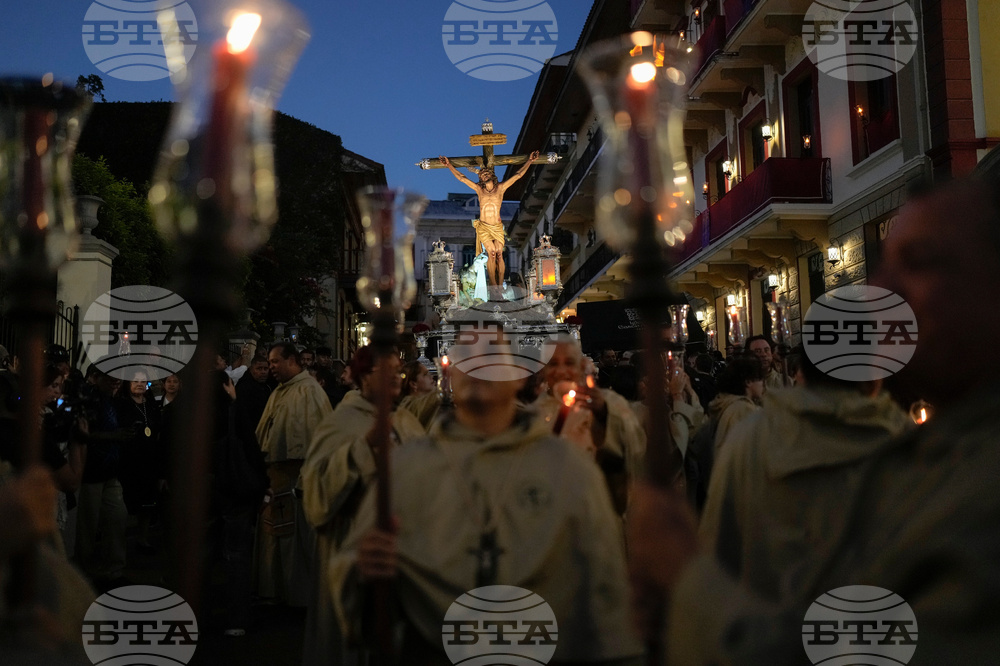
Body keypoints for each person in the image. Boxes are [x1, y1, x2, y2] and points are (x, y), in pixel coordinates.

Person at [629, 178, 1000, 664]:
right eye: (885, 266)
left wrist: (685, 578)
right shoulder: (925, 452)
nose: (881, 291)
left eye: (920, 262)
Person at [328, 327, 644, 664]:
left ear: (517, 378)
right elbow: (356, 572)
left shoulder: (569, 468)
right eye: (467, 356)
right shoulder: (407, 467)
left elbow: (605, 591)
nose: (479, 365)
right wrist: (363, 569)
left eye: (492, 355)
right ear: (450, 376)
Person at [698, 346, 912, 600]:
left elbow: (716, 549)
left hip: (770, 620)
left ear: (803, 374)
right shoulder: (905, 442)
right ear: (875, 376)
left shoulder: (752, 437)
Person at [300, 346, 425, 666]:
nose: (395, 378)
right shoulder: (341, 421)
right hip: (350, 538)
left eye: (398, 370)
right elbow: (316, 487)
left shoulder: (405, 419)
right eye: (385, 371)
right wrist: (361, 449)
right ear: (364, 377)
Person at [254, 342, 333, 606]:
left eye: (276, 362)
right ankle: (274, 590)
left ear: (292, 361)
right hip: (274, 478)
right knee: (274, 539)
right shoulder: (279, 391)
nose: (271, 367)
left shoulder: (310, 391)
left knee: (297, 544)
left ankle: (299, 595)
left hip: (298, 480)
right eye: (270, 362)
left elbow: (318, 441)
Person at [534, 337, 646, 515]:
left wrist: (604, 414)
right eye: (553, 364)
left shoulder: (610, 402)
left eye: (569, 363)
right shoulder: (533, 414)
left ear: (580, 366)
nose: (561, 371)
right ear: (544, 370)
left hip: (602, 507)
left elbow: (636, 445)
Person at [439, 150, 540, 289]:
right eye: (481, 174)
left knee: (499, 254)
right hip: (484, 227)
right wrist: (449, 165)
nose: (484, 175)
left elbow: (518, 175)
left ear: (492, 175)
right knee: (491, 253)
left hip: (497, 226)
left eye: (486, 173)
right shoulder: (479, 190)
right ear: (480, 179)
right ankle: (494, 287)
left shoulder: (501, 188)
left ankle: (499, 283)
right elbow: (462, 177)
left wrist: (530, 161)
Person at [703, 357, 764, 455]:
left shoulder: (727, 404)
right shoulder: (744, 410)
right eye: (760, 379)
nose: (763, 384)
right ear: (748, 382)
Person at [398, 360, 439, 430]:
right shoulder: (408, 405)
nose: (431, 376)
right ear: (413, 384)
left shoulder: (434, 401)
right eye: (425, 374)